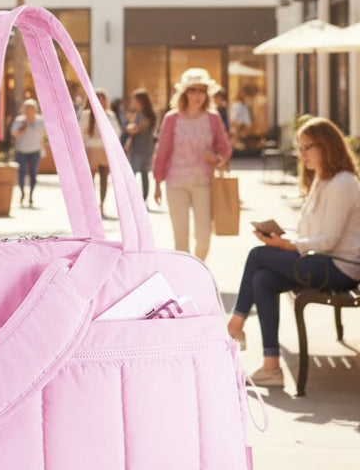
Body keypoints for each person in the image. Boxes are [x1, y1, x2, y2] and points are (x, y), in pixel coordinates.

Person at [227, 117, 360, 388]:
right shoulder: (322, 180)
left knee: (257, 255)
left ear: (327, 146)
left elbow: (331, 240)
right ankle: (271, 366)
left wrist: (286, 246)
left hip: (339, 268)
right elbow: (316, 232)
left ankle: (234, 324)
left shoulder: (343, 183)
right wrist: (285, 238)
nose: (301, 154)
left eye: (307, 147)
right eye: (299, 147)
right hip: (321, 261)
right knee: (262, 279)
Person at [152, 68, 232, 262]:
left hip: (203, 183)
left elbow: (225, 147)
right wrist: (157, 183)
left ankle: (198, 269)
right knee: (181, 238)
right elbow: (162, 151)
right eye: (193, 90)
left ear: (207, 94)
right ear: (184, 93)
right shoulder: (172, 118)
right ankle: (186, 278)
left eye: (202, 90)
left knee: (203, 238)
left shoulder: (213, 118)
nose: (198, 95)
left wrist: (216, 158)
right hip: (175, 183)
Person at [79, 89, 122, 216]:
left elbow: (117, 132)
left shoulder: (110, 115)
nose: (100, 102)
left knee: (104, 179)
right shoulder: (86, 115)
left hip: (105, 150)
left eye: (102, 100)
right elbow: (80, 133)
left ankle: (101, 204)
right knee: (90, 179)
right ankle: (91, 205)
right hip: (91, 149)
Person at [10, 98, 46, 208]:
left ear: (35, 110)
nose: (29, 111)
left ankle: (30, 196)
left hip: (35, 150)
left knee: (33, 174)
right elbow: (13, 134)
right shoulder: (19, 120)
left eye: (31, 109)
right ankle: (22, 193)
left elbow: (42, 135)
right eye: (27, 108)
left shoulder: (39, 121)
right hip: (21, 150)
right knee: (21, 173)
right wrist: (22, 129)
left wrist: (43, 149)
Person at [124, 89, 157, 202]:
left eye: (136, 101)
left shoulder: (147, 116)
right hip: (137, 147)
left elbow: (136, 129)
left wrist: (131, 128)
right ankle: (135, 197)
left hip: (143, 148)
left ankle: (142, 198)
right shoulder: (137, 114)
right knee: (139, 173)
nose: (134, 103)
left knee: (141, 173)